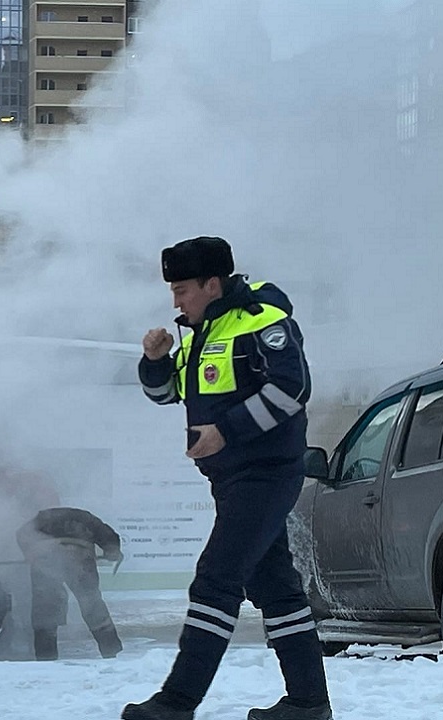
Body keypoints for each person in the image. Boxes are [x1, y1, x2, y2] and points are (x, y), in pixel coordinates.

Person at [124, 237, 330, 720]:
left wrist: (227, 431)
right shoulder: (200, 330)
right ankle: (308, 703)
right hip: (231, 480)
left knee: (215, 580)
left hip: (267, 474)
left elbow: (293, 388)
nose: (175, 301)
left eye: (181, 289)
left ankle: (177, 702)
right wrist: (154, 361)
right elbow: (167, 394)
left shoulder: (261, 318)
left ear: (211, 283)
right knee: (277, 589)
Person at [15, 507, 123, 660]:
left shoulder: (40, 519)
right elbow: (110, 537)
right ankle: (111, 650)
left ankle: (46, 656)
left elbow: (22, 535)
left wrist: (30, 553)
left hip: (46, 561)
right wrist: (111, 552)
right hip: (79, 559)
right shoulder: (86, 518)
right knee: (92, 604)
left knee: (45, 608)